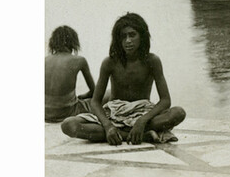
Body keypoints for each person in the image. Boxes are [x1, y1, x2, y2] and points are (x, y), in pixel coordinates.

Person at [61, 12, 186, 145]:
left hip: (142, 111)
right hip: (114, 113)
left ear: (142, 36)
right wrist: (108, 126)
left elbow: (165, 100)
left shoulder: (152, 61)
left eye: (132, 35)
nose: (128, 41)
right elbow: (95, 102)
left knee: (178, 113)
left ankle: (126, 132)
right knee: (69, 125)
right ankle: (139, 136)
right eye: (123, 36)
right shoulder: (110, 62)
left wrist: (142, 121)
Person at [45, 25, 95, 123]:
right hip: (67, 112)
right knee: (107, 94)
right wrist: (83, 96)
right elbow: (94, 91)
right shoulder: (79, 60)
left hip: (44, 113)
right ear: (73, 42)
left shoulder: (44, 60)